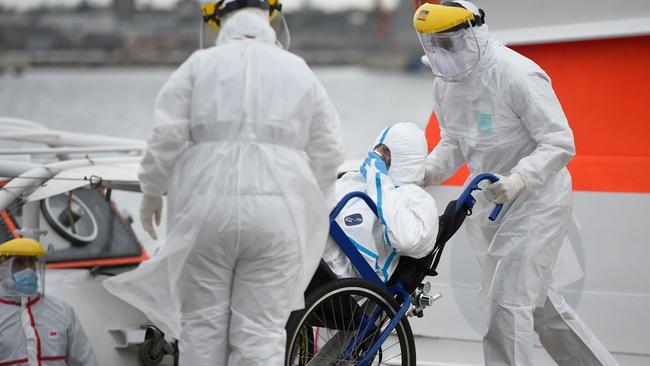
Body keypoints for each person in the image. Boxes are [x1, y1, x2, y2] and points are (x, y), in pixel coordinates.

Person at [103, 1, 345, 365]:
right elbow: (329, 151)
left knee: (201, 335)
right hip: (276, 221)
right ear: (272, 16)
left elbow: (164, 138)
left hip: (204, 214)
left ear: (217, 20)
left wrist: (152, 191)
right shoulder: (298, 71)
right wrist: (309, 201)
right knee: (261, 337)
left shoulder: (198, 67)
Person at [414, 1, 617, 365]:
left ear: (470, 33)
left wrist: (521, 178)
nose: (441, 52)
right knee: (544, 310)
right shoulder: (445, 85)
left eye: (447, 42)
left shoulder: (517, 74)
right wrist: (428, 170)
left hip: (538, 201)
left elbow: (559, 141)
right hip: (494, 207)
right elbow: (454, 141)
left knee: (507, 304)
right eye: (434, 44)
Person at [323, 122, 439, 282]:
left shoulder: (416, 198)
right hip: (318, 250)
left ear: (405, 159)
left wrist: (378, 179)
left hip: (348, 272)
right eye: (378, 148)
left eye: (385, 151)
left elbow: (408, 241)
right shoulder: (356, 178)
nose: (377, 155)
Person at [0, 238, 98, 366]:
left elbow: (85, 359)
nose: (29, 270)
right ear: (4, 270)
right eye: (19, 263)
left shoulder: (62, 310)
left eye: (32, 262)